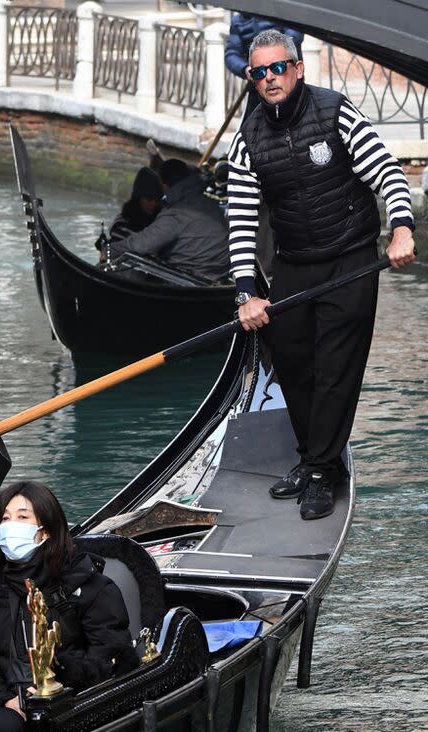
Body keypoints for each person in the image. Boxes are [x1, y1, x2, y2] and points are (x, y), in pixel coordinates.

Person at [227, 30, 415, 520]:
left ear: (297, 68)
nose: (270, 78)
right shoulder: (247, 140)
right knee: (290, 359)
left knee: (335, 369)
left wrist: (401, 228)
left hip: (352, 257)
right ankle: (317, 459)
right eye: (259, 72)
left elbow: (387, 172)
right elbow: (242, 222)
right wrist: (246, 292)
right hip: (294, 262)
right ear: (251, 79)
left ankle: (320, 469)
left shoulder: (337, 112)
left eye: (278, 68)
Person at [0, 480, 139, 732]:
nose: (10, 526)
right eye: (4, 519)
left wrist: (56, 684)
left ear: (47, 531)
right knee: (2, 730)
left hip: (76, 703)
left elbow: (112, 657)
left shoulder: (89, 587)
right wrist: (6, 701)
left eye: (22, 517)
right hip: (7, 705)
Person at [109, 158, 230, 283]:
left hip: (194, 280)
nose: (154, 204)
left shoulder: (176, 214)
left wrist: (109, 249)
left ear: (164, 186)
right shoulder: (210, 204)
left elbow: (141, 245)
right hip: (218, 275)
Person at [224, 13, 303, 119]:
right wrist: (245, 69)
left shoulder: (284, 9)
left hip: (287, 79)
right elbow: (231, 53)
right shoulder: (239, 20)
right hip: (258, 85)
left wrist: (272, 60)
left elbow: (294, 37)